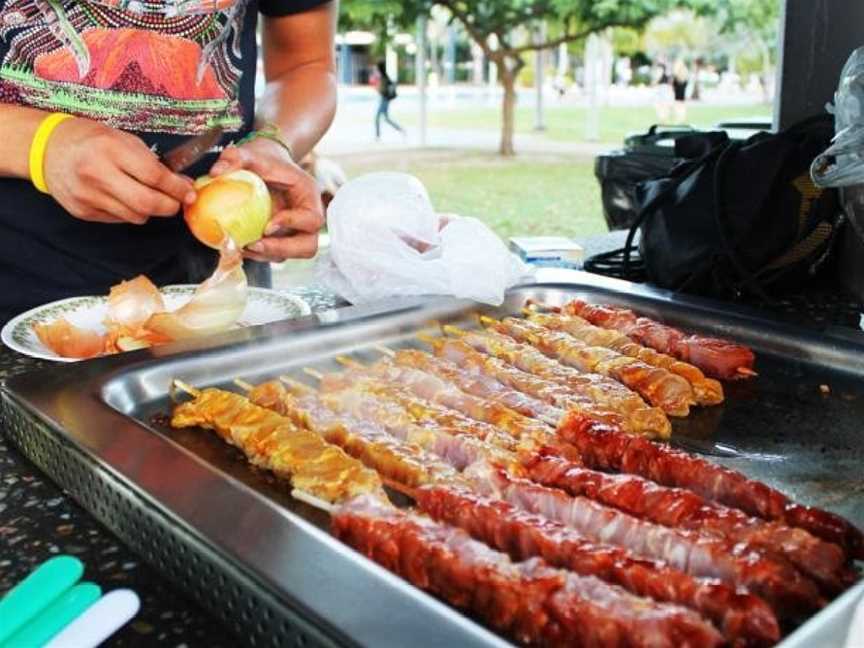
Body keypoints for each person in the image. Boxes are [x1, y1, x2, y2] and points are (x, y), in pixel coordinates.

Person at [0, 0, 337, 326]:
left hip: (215, 292)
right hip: (18, 286)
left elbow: (306, 65)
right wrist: (41, 144)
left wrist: (274, 143)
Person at [373, 61, 404, 140]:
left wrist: (379, 89)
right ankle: (400, 129)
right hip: (384, 99)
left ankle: (377, 136)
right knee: (386, 119)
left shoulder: (384, 77)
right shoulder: (383, 77)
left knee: (378, 118)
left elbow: (385, 88)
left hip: (384, 100)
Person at [671, 58, 690, 124]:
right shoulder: (684, 73)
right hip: (682, 93)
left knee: (678, 106)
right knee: (681, 106)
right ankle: (681, 118)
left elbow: (673, 85)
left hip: (678, 93)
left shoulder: (676, 74)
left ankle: (680, 118)